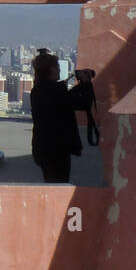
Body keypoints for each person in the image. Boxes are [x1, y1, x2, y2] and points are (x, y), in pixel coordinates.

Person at [30, 49, 85, 183]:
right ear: (52, 70)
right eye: (58, 67)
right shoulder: (56, 90)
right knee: (59, 183)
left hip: (42, 147)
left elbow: (61, 102)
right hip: (58, 149)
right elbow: (80, 103)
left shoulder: (36, 90)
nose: (60, 70)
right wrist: (85, 84)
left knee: (50, 181)